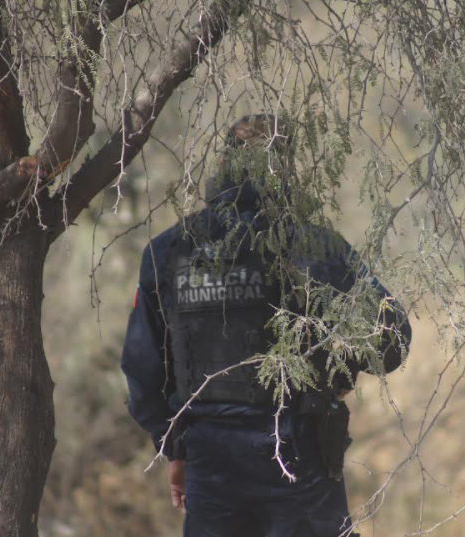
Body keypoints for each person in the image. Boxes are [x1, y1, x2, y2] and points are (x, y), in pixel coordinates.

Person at [120, 114, 411, 537]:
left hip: (209, 464)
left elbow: (143, 371)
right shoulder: (315, 248)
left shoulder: (168, 251)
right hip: (299, 462)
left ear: (226, 163)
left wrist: (176, 449)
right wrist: (337, 360)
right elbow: (391, 344)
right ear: (285, 170)